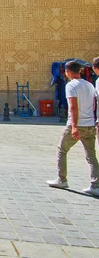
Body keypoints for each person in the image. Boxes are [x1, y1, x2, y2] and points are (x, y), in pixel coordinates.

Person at [47, 60, 99, 196]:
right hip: (90, 124)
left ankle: (61, 179)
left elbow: (73, 107)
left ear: (67, 72)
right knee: (91, 155)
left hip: (76, 124)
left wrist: (74, 126)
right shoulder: (89, 85)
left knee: (62, 150)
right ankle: (95, 185)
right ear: (80, 71)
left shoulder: (71, 85)